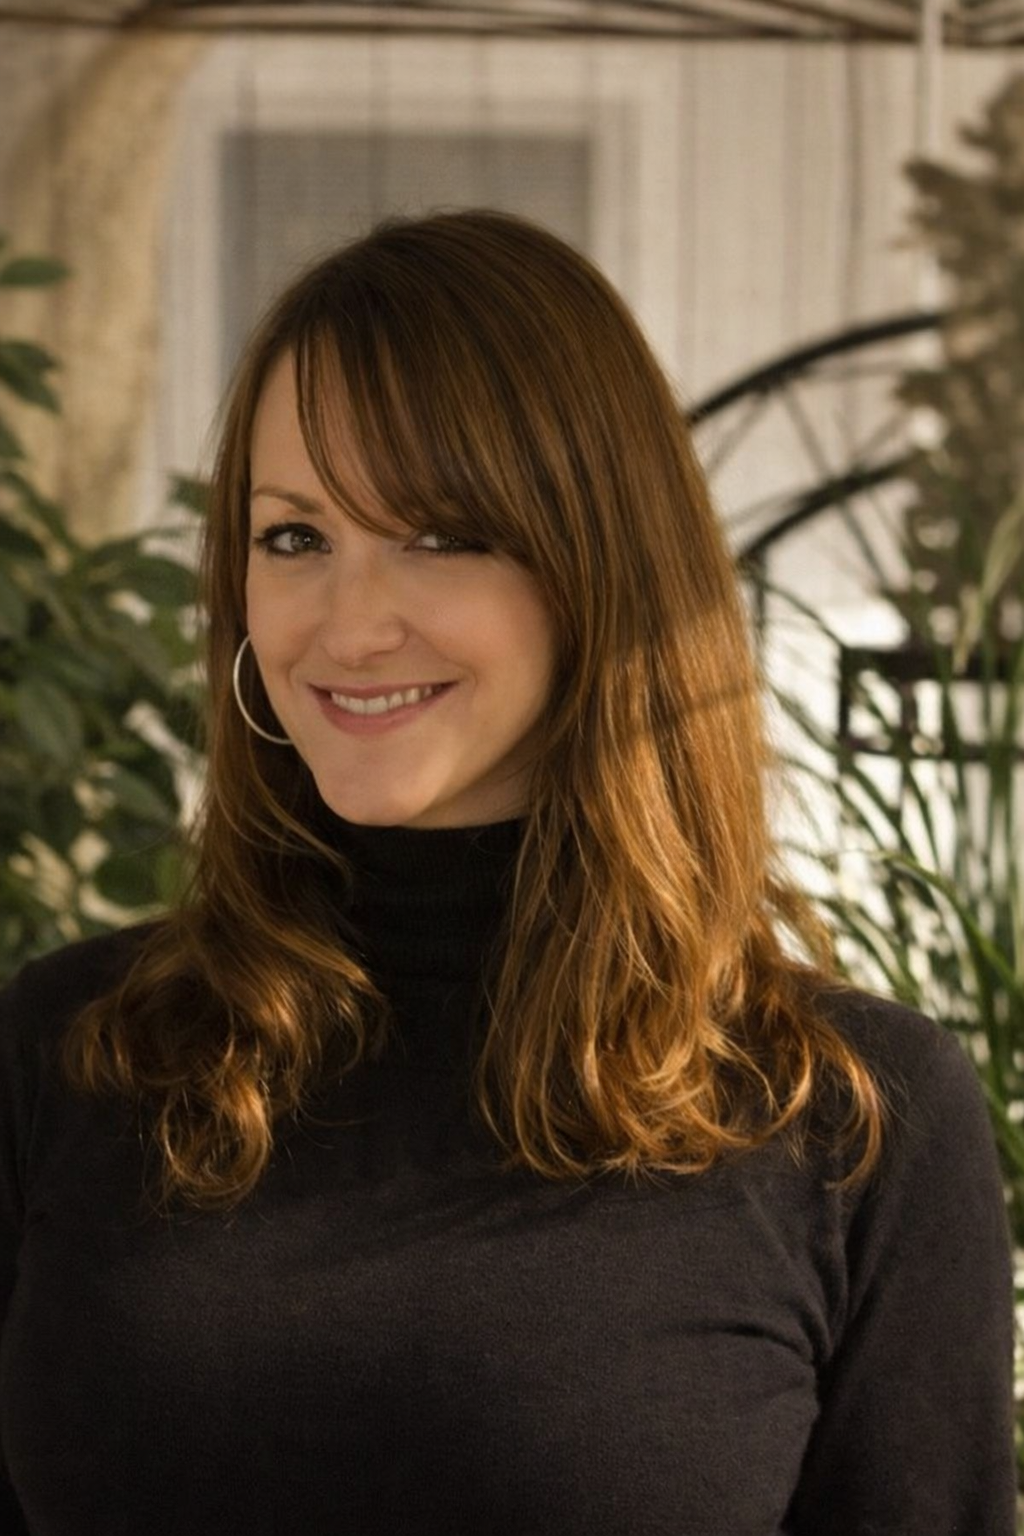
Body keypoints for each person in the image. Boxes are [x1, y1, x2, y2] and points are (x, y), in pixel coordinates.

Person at [0, 209, 1014, 1535]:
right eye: (295, 537)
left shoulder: (852, 1120)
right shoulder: (68, 1050)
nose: (352, 624)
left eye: (443, 535)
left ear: (601, 570)